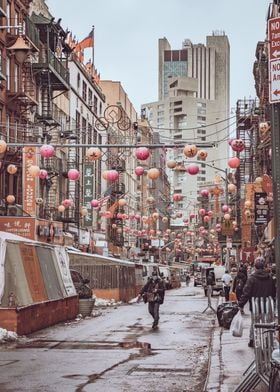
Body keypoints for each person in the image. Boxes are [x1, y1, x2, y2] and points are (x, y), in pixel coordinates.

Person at [238, 258, 276, 348]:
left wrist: (241, 304)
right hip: (267, 305)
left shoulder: (252, 278)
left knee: (254, 322)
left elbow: (246, 293)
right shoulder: (269, 278)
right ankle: (267, 340)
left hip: (255, 306)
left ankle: (253, 340)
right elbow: (273, 292)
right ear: (264, 266)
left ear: (255, 266)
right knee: (266, 322)